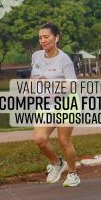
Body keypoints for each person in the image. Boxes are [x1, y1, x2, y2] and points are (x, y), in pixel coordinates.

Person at [31, 22, 81, 187]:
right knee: (39, 139)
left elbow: (73, 85)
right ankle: (58, 163)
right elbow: (34, 77)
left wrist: (51, 84)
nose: (43, 40)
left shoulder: (64, 59)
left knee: (63, 140)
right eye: (40, 38)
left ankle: (73, 174)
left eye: (46, 37)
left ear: (56, 37)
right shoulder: (36, 56)